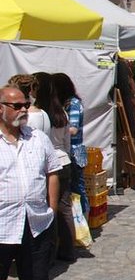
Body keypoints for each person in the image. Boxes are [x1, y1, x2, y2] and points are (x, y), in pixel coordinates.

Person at [0, 85, 61, 280]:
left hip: (35, 221)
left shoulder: (37, 138)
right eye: (17, 105)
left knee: (36, 278)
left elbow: (53, 172)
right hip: (2, 223)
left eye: (26, 104)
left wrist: (51, 209)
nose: (24, 109)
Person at [29, 73, 75, 262]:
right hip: (64, 160)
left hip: (49, 164)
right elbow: (67, 142)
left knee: (50, 209)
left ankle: (49, 252)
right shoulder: (60, 112)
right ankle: (68, 249)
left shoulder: (39, 114)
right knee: (64, 209)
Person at [51, 73, 86, 207]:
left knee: (78, 189)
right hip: (72, 150)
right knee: (74, 189)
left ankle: (83, 221)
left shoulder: (73, 103)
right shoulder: (68, 102)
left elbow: (73, 129)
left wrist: (57, 132)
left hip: (74, 151)